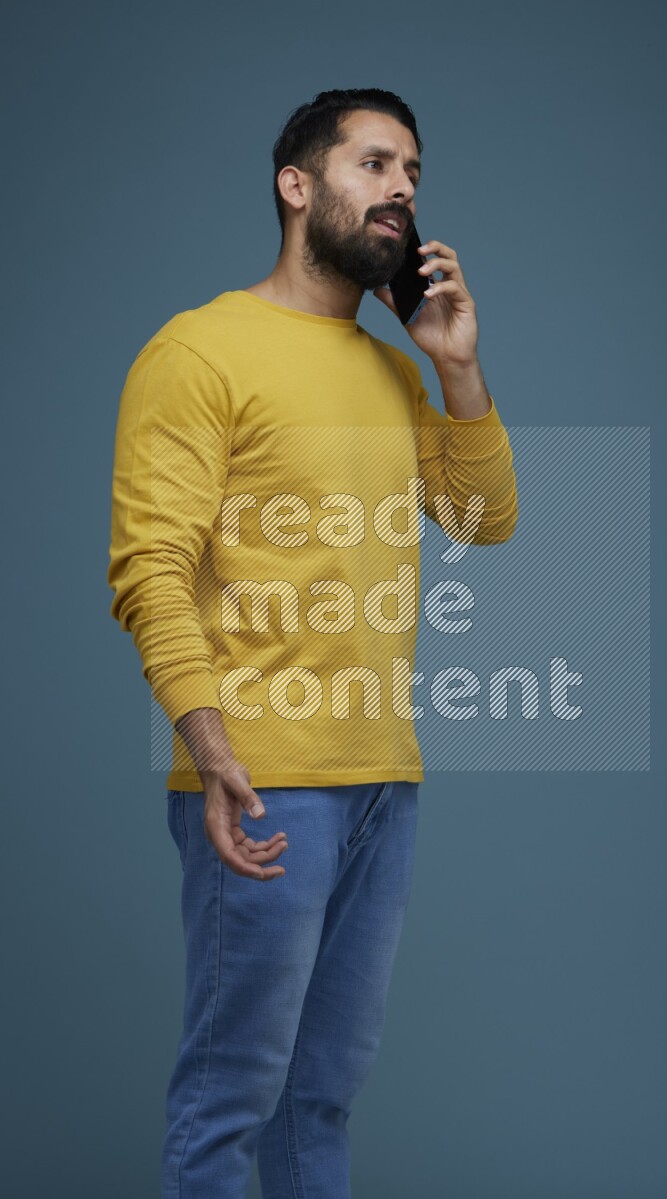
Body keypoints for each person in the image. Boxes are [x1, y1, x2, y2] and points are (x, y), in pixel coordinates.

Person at [107, 87, 518, 1199]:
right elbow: (150, 564)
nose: (401, 189)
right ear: (297, 185)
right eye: (374, 163)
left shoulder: (390, 370)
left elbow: (484, 521)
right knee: (230, 1094)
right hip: (263, 774)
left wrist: (455, 367)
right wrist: (206, 734)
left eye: (413, 172)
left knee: (320, 1096)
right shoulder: (197, 350)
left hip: (383, 777)